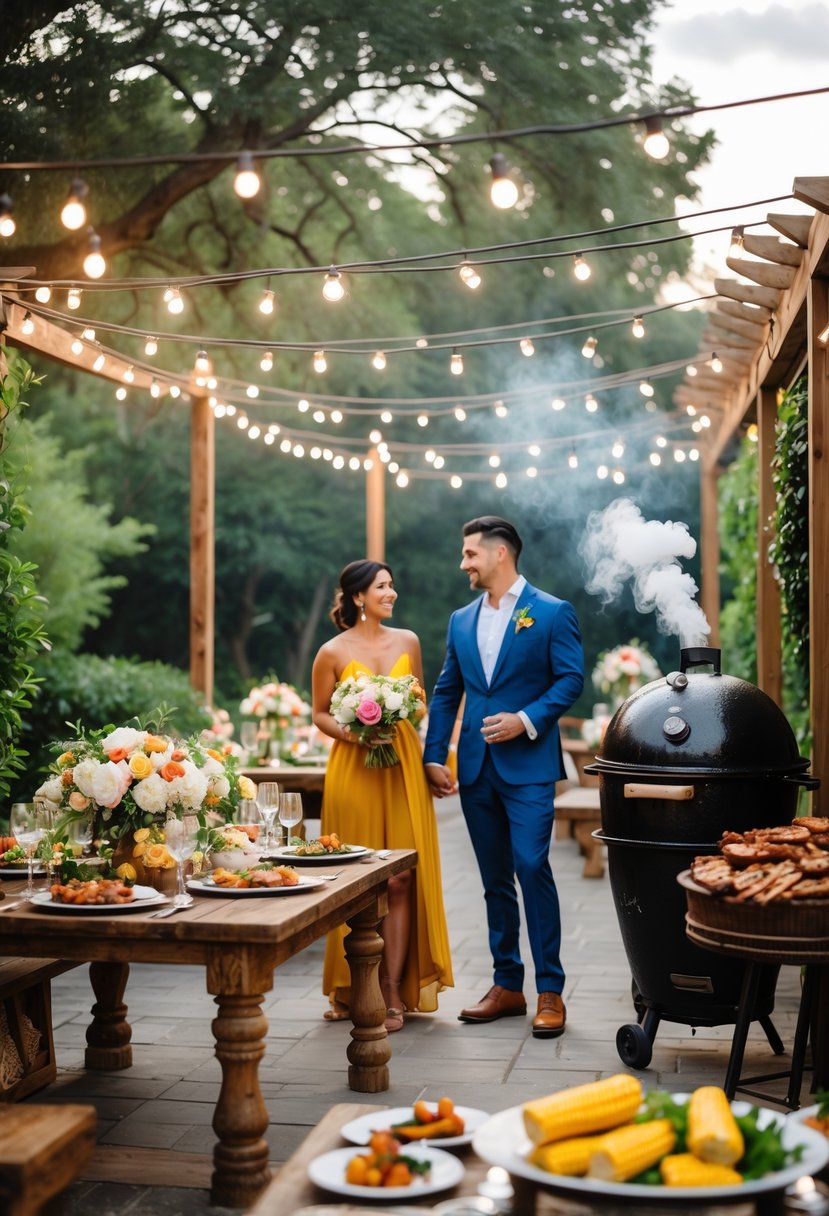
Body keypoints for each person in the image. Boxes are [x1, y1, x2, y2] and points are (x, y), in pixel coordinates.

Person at [423, 516, 583, 1039]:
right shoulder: (460, 620)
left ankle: (551, 990)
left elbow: (570, 679)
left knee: (532, 865)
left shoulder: (552, 612)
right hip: (475, 767)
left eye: (470, 553)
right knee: (495, 879)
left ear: (500, 554)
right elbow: (447, 691)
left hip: (530, 765)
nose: (463, 563)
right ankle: (507, 984)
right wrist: (434, 755)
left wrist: (526, 719)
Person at [312, 558, 454, 1032]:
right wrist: (356, 733)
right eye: (382, 587)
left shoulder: (408, 641)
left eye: (392, 585)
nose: (391, 593)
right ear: (358, 597)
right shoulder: (331, 652)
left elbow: (419, 702)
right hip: (354, 769)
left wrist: (403, 720)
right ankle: (354, 987)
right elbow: (320, 714)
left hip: (402, 766)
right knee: (355, 880)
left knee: (402, 878)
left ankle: (392, 989)